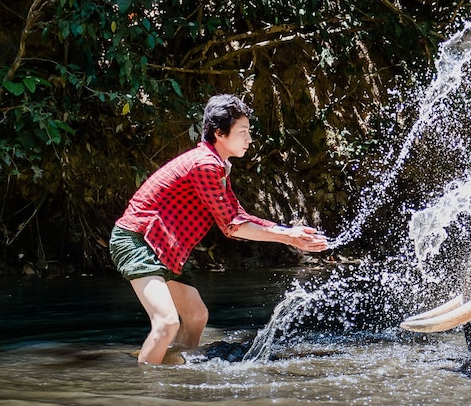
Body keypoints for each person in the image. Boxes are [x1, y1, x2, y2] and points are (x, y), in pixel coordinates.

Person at [109, 94, 328, 364]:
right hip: (138, 240)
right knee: (166, 323)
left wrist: (288, 232)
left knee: (196, 316)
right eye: (243, 132)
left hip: (164, 247)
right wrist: (288, 237)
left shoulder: (217, 165)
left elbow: (236, 216)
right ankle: (146, 392)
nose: (249, 139)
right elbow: (232, 227)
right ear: (219, 133)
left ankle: (172, 376)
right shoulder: (206, 164)